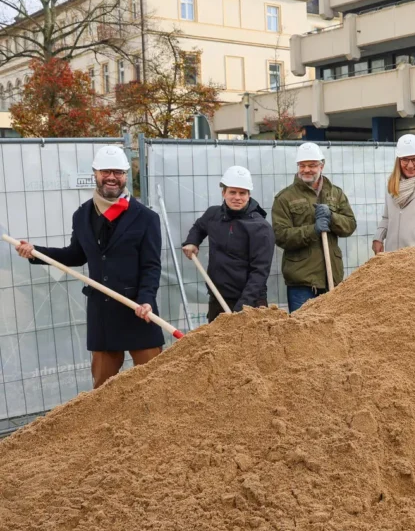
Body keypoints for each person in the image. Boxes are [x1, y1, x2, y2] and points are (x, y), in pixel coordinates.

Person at [14, 146, 163, 389]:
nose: (111, 177)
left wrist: (146, 299)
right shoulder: (82, 215)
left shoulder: (146, 217)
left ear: (126, 175)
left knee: (154, 385)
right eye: (105, 171)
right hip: (102, 311)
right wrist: (35, 252)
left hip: (138, 309)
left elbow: (151, 265)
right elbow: (75, 255)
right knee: (102, 391)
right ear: (95, 173)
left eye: (117, 172)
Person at [272, 142, 357, 312]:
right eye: (302, 165)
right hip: (302, 282)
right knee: (302, 332)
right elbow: (280, 235)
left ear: (321, 166)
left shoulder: (335, 193)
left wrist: (332, 218)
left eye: (312, 165)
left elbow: (350, 225)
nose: (307, 170)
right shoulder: (285, 198)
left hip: (331, 277)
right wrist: (313, 230)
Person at [182, 166, 275, 322]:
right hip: (218, 299)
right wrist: (192, 241)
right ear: (223, 193)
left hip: (250, 303)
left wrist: (241, 309)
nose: (237, 197)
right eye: (232, 192)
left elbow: (259, 273)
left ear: (249, 195)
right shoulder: (213, 214)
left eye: (242, 193)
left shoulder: (260, 228)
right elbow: (199, 227)